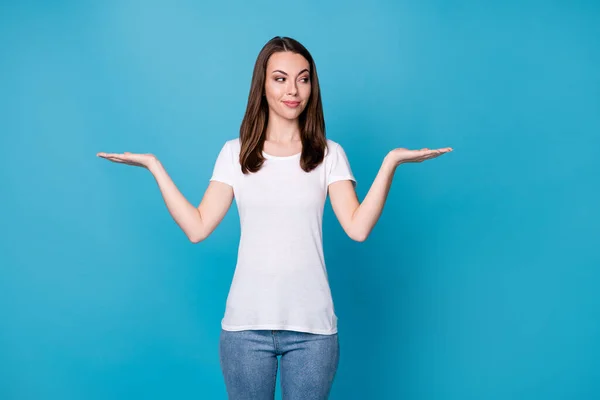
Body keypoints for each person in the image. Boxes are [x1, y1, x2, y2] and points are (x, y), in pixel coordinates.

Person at [97, 36, 452, 400]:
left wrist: (390, 163)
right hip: (245, 329)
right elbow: (197, 226)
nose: (293, 89)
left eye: (303, 78)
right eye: (280, 78)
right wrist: (155, 167)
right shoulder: (235, 154)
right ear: (262, 86)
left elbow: (358, 228)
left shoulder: (329, 154)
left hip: (313, 331)